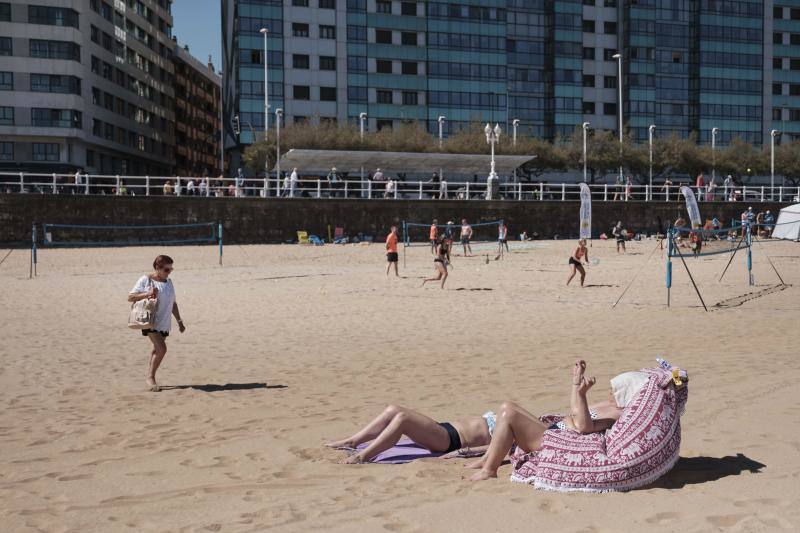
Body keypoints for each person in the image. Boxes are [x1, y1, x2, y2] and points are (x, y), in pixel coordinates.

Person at [468, 360, 652, 481]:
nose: (611, 392)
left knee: (508, 411)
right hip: (554, 430)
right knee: (505, 408)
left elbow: (585, 426)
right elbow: (575, 411)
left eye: (616, 389)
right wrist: (576, 382)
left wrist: (582, 394)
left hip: (554, 441)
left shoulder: (617, 415)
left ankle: (489, 471)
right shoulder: (608, 404)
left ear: (627, 393)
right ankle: (487, 459)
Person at [324, 396, 494, 463]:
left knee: (402, 420)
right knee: (393, 409)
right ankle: (353, 441)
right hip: (445, 428)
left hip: (450, 441)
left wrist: (464, 452)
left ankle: (363, 456)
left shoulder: (515, 436)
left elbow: (498, 448)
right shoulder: (511, 419)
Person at [128, 255, 186, 392]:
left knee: (157, 349)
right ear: (157, 268)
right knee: (162, 349)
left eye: (171, 269)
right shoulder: (146, 280)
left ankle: (150, 375)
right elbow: (130, 297)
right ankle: (151, 378)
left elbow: (173, 303)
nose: (169, 272)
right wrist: (147, 293)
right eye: (166, 269)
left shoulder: (169, 282)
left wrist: (179, 321)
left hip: (164, 322)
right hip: (150, 320)